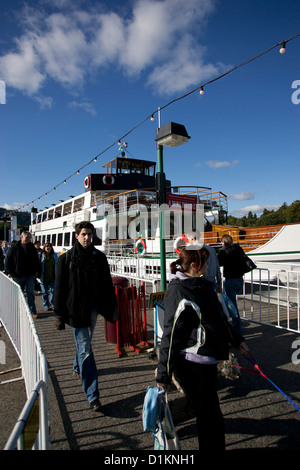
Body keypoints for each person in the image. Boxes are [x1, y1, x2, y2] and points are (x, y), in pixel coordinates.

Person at [156, 247, 248, 451]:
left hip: (209, 361)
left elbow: (219, 319)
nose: (209, 265)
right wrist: (163, 375)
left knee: (197, 406)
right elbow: (170, 336)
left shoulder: (204, 285)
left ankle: (163, 414)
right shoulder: (178, 290)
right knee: (211, 418)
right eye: (205, 262)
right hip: (190, 364)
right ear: (194, 266)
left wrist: (236, 339)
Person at [54, 221, 118, 412]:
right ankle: (93, 396)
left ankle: (76, 366)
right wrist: (58, 313)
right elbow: (60, 287)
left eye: (89, 234)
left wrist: (111, 308)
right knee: (86, 349)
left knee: (85, 343)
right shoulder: (66, 259)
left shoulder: (99, 257)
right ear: (76, 236)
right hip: (76, 310)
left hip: (93, 308)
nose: (87, 238)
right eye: (83, 234)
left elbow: (106, 283)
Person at [5, 231, 40, 318]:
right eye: (27, 237)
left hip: (29, 274)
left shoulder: (31, 247)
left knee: (30, 293)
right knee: (18, 294)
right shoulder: (14, 247)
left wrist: (37, 271)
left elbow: (36, 260)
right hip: (17, 274)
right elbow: (8, 259)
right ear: (22, 237)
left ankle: (33, 311)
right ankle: (18, 311)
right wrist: (9, 271)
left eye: (29, 237)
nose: (28, 239)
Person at [218, 234, 246, 334]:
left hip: (230, 280)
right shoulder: (238, 249)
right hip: (240, 279)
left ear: (224, 242)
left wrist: (222, 250)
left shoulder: (225, 252)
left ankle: (236, 328)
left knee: (232, 306)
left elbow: (219, 262)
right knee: (232, 303)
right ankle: (236, 324)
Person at [39, 242, 58, 311]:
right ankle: (46, 305)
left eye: (49, 246)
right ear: (44, 248)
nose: (48, 247)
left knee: (53, 291)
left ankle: (53, 304)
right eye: (46, 246)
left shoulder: (54, 255)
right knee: (45, 292)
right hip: (43, 277)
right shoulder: (40, 255)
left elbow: (58, 264)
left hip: (52, 276)